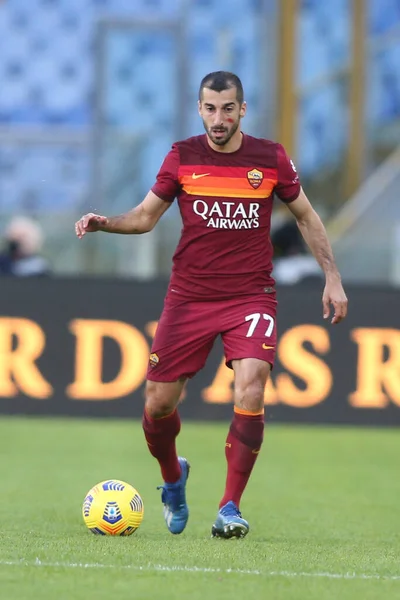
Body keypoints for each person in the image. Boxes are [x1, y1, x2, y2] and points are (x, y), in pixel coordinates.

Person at [75, 71, 348, 539]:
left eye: (227, 108)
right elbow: (144, 218)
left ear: (243, 110)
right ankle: (172, 477)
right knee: (158, 405)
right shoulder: (183, 156)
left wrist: (332, 276)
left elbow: (305, 215)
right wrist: (106, 223)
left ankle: (229, 507)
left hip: (250, 294)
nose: (217, 118)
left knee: (253, 387)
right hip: (190, 295)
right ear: (198, 108)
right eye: (209, 108)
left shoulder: (271, 158)